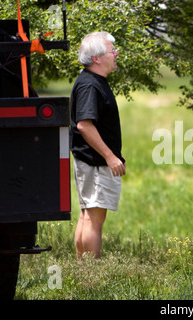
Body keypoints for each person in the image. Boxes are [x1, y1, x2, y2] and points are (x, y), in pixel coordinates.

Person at [70, 31, 125, 259]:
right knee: (93, 219)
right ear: (97, 58)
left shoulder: (93, 82)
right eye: (112, 51)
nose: (116, 54)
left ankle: (83, 269)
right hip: (94, 162)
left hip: (90, 161)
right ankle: (92, 275)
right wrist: (110, 156)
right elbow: (85, 125)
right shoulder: (90, 86)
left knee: (87, 215)